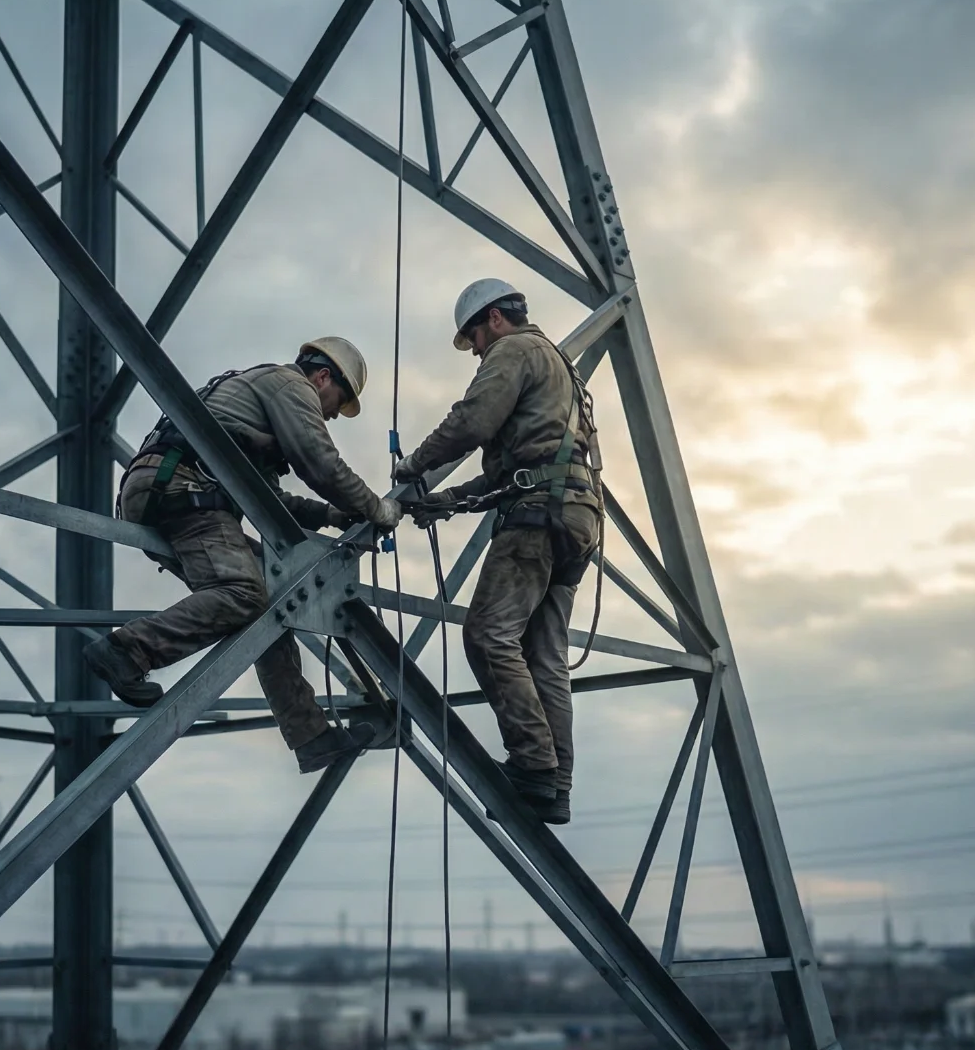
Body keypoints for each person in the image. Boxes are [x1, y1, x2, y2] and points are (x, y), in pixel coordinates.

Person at [84, 338, 403, 773]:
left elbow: (270, 500)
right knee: (242, 593)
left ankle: (311, 736)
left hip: (174, 488)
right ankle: (127, 651)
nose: (330, 414)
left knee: (274, 601)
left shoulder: (254, 405)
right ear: (324, 377)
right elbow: (320, 463)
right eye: (337, 402)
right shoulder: (290, 386)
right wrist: (375, 507)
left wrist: (331, 513)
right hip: (184, 488)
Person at [394, 281, 601, 824]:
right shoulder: (561, 368)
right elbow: (524, 466)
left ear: (493, 319)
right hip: (574, 518)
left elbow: (473, 421)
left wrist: (412, 466)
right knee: (544, 657)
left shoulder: (514, 350)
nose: (478, 352)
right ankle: (556, 787)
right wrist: (450, 501)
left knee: (488, 634)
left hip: (537, 518)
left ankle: (533, 764)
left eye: (475, 339)